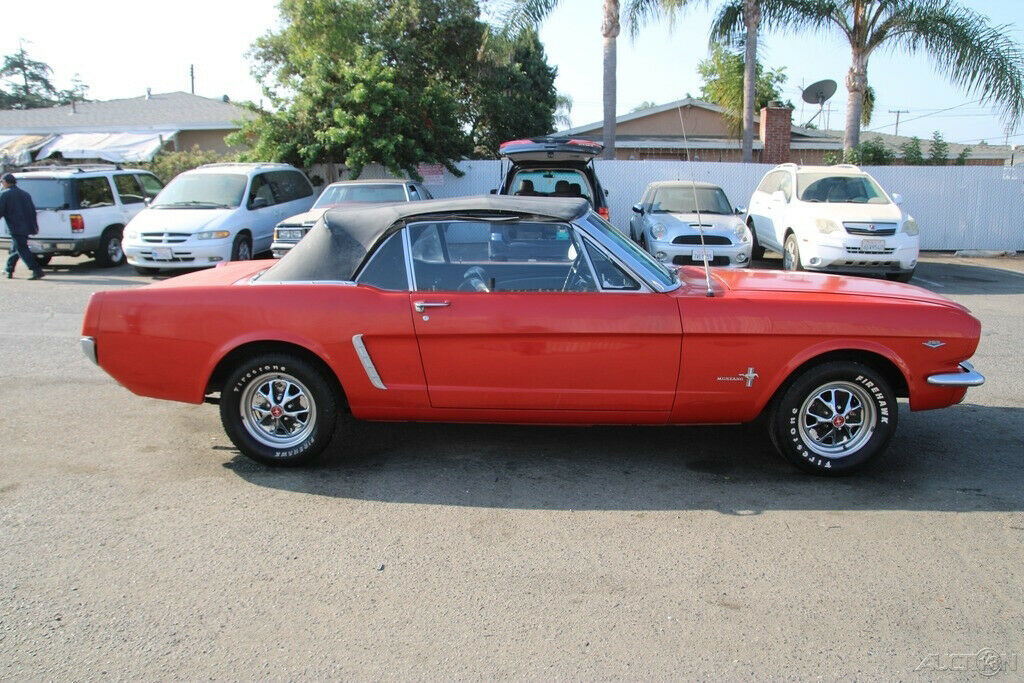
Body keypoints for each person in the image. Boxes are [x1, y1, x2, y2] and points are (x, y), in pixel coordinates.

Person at [0, 173, 44, 280]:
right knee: (16, 248)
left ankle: (36, 270)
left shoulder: (4, 194)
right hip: (27, 226)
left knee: (22, 249)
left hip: (16, 227)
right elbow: (33, 211)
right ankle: (9, 269)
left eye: (2, 182)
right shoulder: (25, 194)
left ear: (5, 182)